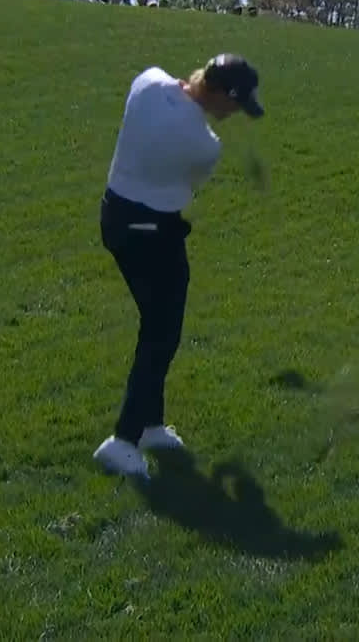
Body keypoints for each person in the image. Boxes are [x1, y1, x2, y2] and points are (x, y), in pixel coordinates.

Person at [93, 54, 266, 478]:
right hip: (153, 233)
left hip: (114, 216)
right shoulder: (205, 145)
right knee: (161, 332)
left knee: (156, 323)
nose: (235, 114)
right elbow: (190, 184)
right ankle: (123, 440)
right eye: (236, 104)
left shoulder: (147, 81)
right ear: (223, 95)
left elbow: (170, 86)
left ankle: (150, 425)